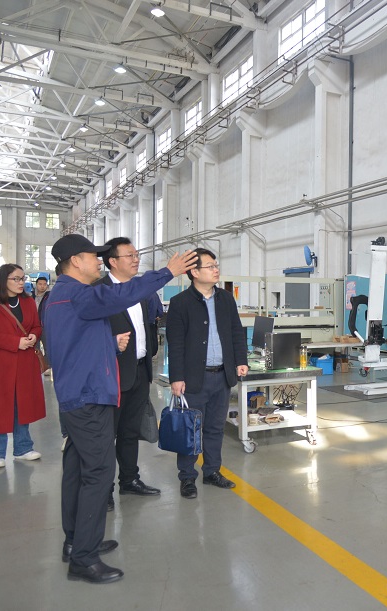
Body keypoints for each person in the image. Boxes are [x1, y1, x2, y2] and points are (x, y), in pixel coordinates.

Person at [41, 234, 196, 584]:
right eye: (92, 256)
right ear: (75, 261)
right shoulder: (77, 294)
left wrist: (109, 342)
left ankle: (75, 542)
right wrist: (167, 272)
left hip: (77, 393)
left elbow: (72, 342)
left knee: (77, 468)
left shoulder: (61, 296)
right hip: (88, 397)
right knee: (98, 473)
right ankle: (84, 558)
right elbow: (120, 294)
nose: (98, 260)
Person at [165, 248, 249, 499]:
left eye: (216, 265)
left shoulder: (226, 299)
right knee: (190, 429)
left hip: (221, 376)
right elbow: (175, 343)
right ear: (194, 271)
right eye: (210, 266)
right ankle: (187, 477)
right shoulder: (180, 303)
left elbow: (236, 332)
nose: (216, 270)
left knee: (215, 428)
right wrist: (176, 377)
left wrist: (240, 360)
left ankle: (212, 471)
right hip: (194, 378)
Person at [98, 238, 164, 503]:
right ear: (113, 261)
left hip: (139, 371)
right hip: (112, 373)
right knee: (106, 435)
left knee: (129, 431)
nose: (136, 259)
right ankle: (103, 490)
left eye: (137, 255)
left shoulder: (139, 291)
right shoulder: (99, 291)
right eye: (130, 255)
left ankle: (129, 479)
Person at [0, 263, 45, 469]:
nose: (21, 282)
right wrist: (15, 342)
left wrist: (34, 335)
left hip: (24, 362)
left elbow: (37, 326)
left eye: (23, 278)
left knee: (22, 404)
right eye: (16, 279)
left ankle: (23, 448)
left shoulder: (28, 302)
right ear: (3, 280)